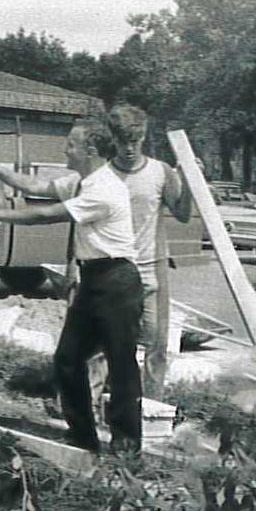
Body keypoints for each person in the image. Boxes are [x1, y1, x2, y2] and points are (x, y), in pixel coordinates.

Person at [0, 117, 143, 454]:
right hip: (92, 278)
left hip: (117, 279)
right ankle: (82, 436)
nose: (65, 150)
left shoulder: (105, 188)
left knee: (121, 363)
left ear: (90, 150)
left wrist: (0, 213)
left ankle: (126, 446)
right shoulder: (80, 181)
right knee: (68, 358)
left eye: (71, 144)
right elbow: (36, 187)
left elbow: (47, 214)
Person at [106, 104, 191, 400]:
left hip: (152, 267)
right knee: (109, 341)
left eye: (135, 140)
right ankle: (106, 402)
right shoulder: (103, 175)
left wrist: (188, 180)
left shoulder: (160, 172)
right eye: (122, 141)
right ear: (113, 139)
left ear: (143, 137)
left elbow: (182, 214)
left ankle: (153, 405)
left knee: (156, 342)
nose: (129, 148)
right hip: (114, 267)